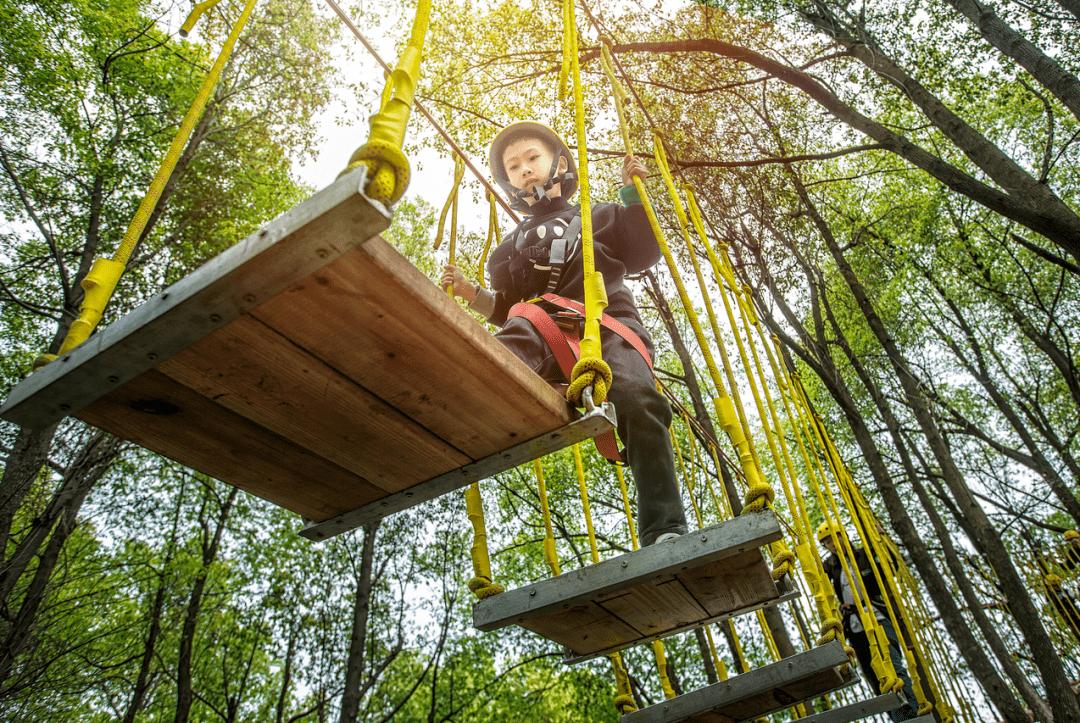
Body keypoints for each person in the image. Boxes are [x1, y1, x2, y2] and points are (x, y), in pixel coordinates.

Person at [441, 121, 687, 546]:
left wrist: (634, 195)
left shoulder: (599, 216)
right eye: (513, 167)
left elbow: (645, 252)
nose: (525, 170)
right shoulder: (509, 248)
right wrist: (469, 293)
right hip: (539, 323)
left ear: (559, 163)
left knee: (638, 398)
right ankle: (451, 406)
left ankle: (664, 528)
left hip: (608, 319)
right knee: (500, 355)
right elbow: (505, 305)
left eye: (533, 158)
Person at [817, 521, 919, 721]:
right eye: (827, 542)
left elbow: (891, 564)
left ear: (844, 535)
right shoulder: (831, 567)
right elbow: (818, 580)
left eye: (835, 537)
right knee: (874, 675)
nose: (833, 544)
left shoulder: (865, 555)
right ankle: (898, 717)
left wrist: (883, 538)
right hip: (855, 626)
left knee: (891, 663)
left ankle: (913, 711)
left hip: (877, 616)